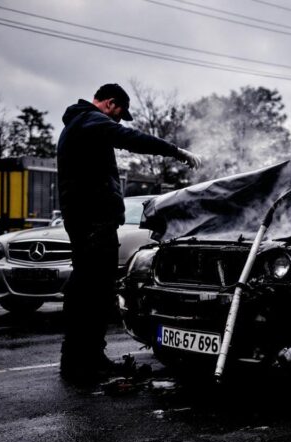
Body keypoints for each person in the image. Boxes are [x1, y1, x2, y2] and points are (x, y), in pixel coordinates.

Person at [57, 83, 202, 384]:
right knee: (94, 291)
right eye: (119, 115)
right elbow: (131, 139)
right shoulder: (92, 120)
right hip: (95, 222)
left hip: (84, 220)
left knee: (85, 290)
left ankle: (80, 360)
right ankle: (84, 364)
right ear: (111, 104)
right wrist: (175, 151)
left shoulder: (76, 125)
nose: (118, 123)